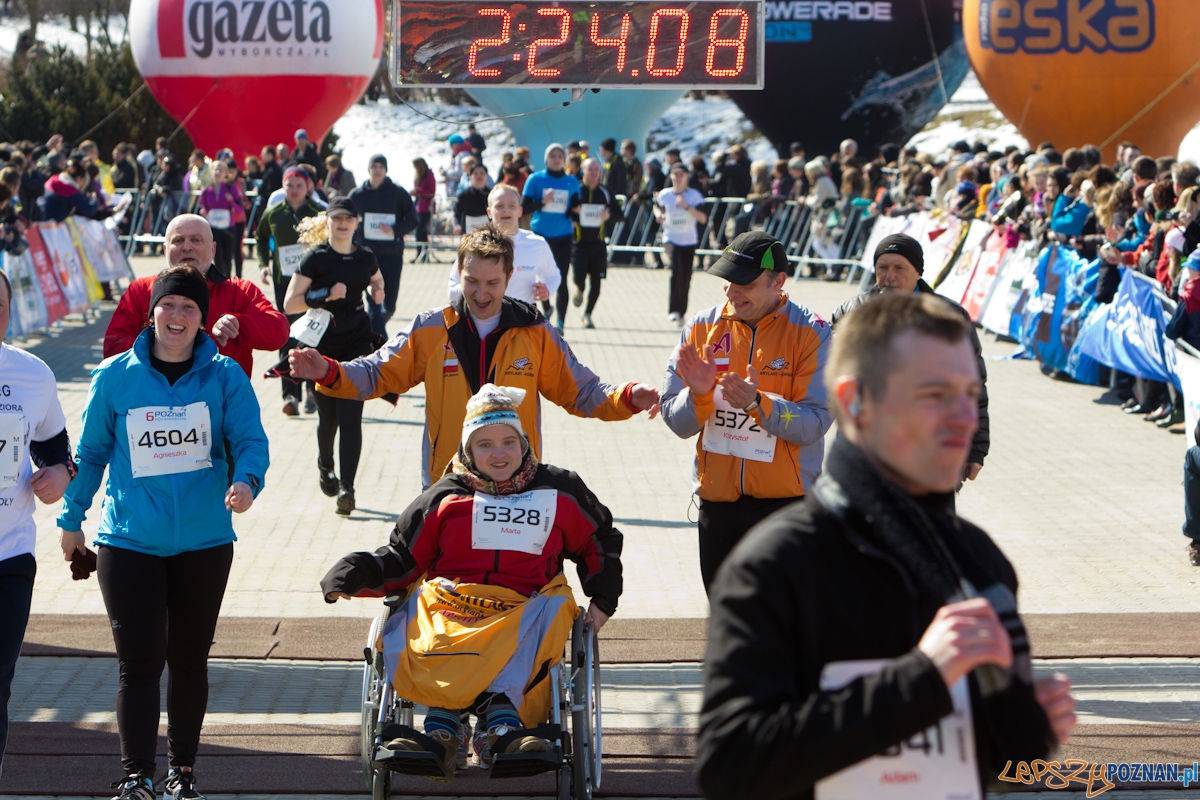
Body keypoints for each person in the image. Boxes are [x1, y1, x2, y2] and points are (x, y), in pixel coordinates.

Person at [696, 292, 1076, 800]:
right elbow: (731, 766)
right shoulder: (773, 566)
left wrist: (1025, 734)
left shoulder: (981, 562)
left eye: (970, 393)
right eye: (935, 393)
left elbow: (987, 770)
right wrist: (923, 679)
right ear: (856, 402)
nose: (965, 417)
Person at [321, 383, 621, 776]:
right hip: (453, 601)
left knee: (553, 613)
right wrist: (352, 573)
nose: (499, 453)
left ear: (524, 443)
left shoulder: (559, 489)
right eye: (485, 445)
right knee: (417, 612)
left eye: (509, 442)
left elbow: (598, 539)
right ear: (467, 450)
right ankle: (443, 729)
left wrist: (602, 601)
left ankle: (501, 728)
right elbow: (403, 558)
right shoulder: (444, 499)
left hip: (526, 602)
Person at [58, 266, 270, 800]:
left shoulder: (225, 377)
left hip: (204, 542)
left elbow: (251, 441)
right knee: (139, 663)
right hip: (129, 541)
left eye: (189, 309)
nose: (177, 317)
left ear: (203, 319)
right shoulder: (114, 376)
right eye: (168, 306)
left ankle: (183, 773)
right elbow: (91, 454)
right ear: (153, 311)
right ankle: (136, 777)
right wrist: (71, 518)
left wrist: (245, 482)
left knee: (189, 660)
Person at [289, 224, 660, 489]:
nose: (481, 293)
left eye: (493, 283)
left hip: (517, 484)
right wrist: (329, 370)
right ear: (459, 273)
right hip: (447, 485)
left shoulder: (535, 332)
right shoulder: (431, 327)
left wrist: (626, 397)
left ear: (510, 275)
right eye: (472, 281)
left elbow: (582, 391)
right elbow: (377, 373)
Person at [661, 231, 832, 592]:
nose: (732, 291)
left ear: (778, 281)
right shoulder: (701, 326)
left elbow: (815, 423)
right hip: (718, 506)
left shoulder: (813, 332)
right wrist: (700, 395)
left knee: (785, 627)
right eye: (728, 280)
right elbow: (675, 420)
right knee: (729, 624)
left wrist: (758, 404)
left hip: (787, 507)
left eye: (746, 283)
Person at [831, 233, 990, 480]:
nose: (889, 276)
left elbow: (974, 385)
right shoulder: (851, 313)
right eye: (882, 268)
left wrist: (976, 449)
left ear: (918, 272)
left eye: (899, 268)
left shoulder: (949, 317)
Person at [0, 269, 74, 778]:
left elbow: (58, 453)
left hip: (9, 556)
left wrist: (58, 476)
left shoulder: (33, 373)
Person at [283, 197, 384, 514]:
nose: (342, 224)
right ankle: (325, 465)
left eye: (348, 219)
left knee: (352, 416)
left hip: (356, 342)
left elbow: (377, 280)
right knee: (329, 418)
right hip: (321, 346)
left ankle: (348, 489)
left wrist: (378, 292)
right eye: (336, 218)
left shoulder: (366, 256)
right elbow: (290, 304)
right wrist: (324, 295)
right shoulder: (316, 259)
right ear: (327, 222)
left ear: (357, 223)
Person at [104, 215, 289, 378]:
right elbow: (113, 348)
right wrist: (161, 344)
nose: (187, 247)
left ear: (213, 249)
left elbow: (279, 332)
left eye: (196, 240)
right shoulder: (141, 290)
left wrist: (237, 325)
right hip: (153, 405)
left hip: (221, 407)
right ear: (165, 249)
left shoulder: (239, 291)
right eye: (178, 240)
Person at [257, 166, 325, 415]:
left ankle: (312, 391)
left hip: (313, 284)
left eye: (299, 184)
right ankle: (290, 395)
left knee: (311, 334)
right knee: (287, 334)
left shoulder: (319, 213)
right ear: (283, 187)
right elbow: (261, 237)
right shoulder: (274, 213)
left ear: (307, 186)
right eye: (290, 185)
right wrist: (264, 265)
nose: (295, 190)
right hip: (283, 283)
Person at [448, 184, 557, 306]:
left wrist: (548, 289)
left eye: (512, 205)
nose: (506, 209)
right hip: (484, 317)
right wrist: (473, 289)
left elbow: (553, 275)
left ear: (520, 210)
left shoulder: (537, 243)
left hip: (524, 317)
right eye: (499, 206)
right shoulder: (474, 244)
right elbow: (452, 291)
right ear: (489, 212)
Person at [348, 154, 419, 337]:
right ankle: (380, 343)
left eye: (381, 166)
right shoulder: (357, 195)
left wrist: (394, 229)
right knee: (374, 301)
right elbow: (347, 218)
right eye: (374, 166)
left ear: (385, 169)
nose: (377, 170)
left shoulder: (397, 192)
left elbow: (413, 219)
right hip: (367, 256)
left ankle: (372, 327)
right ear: (369, 169)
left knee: (389, 305)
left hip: (392, 255)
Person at [521, 144, 580, 335]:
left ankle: (561, 322)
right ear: (546, 159)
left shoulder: (572, 181)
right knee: (540, 277)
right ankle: (546, 309)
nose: (556, 159)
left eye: (559, 156)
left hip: (563, 236)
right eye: (552, 156)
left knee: (561, 278)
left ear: (564, 160)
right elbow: (523, 209)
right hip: (540, 236)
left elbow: (575, 208)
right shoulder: (535, 179)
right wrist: (542, 202)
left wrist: (576, 209)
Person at [570, 157, 623, 329]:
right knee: (578, 276)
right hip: (579, 243)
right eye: (590, 169)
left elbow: (620, 215)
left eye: (596, 169)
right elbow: (565, 212)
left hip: (598, 244)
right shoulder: (576, 190)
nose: (593, 172)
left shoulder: (605, 192)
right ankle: (579, 287)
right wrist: (573, 214)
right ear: (583, 171)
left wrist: (609, 216)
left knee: (597, 282)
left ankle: (588, 314)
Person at [654, 163, 707, 326]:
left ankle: (681, 311)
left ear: (686, 177)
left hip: (689, 240)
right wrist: (659, 214)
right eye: (675, 175)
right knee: (676, 271)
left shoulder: (694, 195)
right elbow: (657, 206)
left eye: (681, 175)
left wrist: (687, 206)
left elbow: (703, 218)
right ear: (671, 176)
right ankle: (673, 309)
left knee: (686, 275)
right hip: (671, 238)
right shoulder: (665, 195)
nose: (678, 178)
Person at [197, 160, 242, 278]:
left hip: (228, 227)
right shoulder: (206, 191)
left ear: (225, 173)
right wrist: (204, 212)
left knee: (227, 257)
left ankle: (228, 280)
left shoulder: (231, 188)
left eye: (220, 170)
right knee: (217, 256)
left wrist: (231, 201)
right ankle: (220, 281)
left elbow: (240, 210)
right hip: (213, 228)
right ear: (211, 172)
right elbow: (204, 208)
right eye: (215, 169)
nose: (217, 172)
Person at [452, 162, 491, 235]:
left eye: (482, 173)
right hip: (467, 236)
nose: (479, 176)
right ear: (470, 176)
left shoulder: (492, 195)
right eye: (476, 173)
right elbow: (456, 213)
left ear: (486, 176)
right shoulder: (463, 196)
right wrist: (456, 225)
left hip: (488, 237)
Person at [412, 157, 437, 246]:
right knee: (422, 231)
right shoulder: (419, 175)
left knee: (420, 230)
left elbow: (431, 191)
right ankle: (422, 253)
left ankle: (422, 253)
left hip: (426, 207)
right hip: (418, 206)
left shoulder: (428, 174)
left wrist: (418, 191)